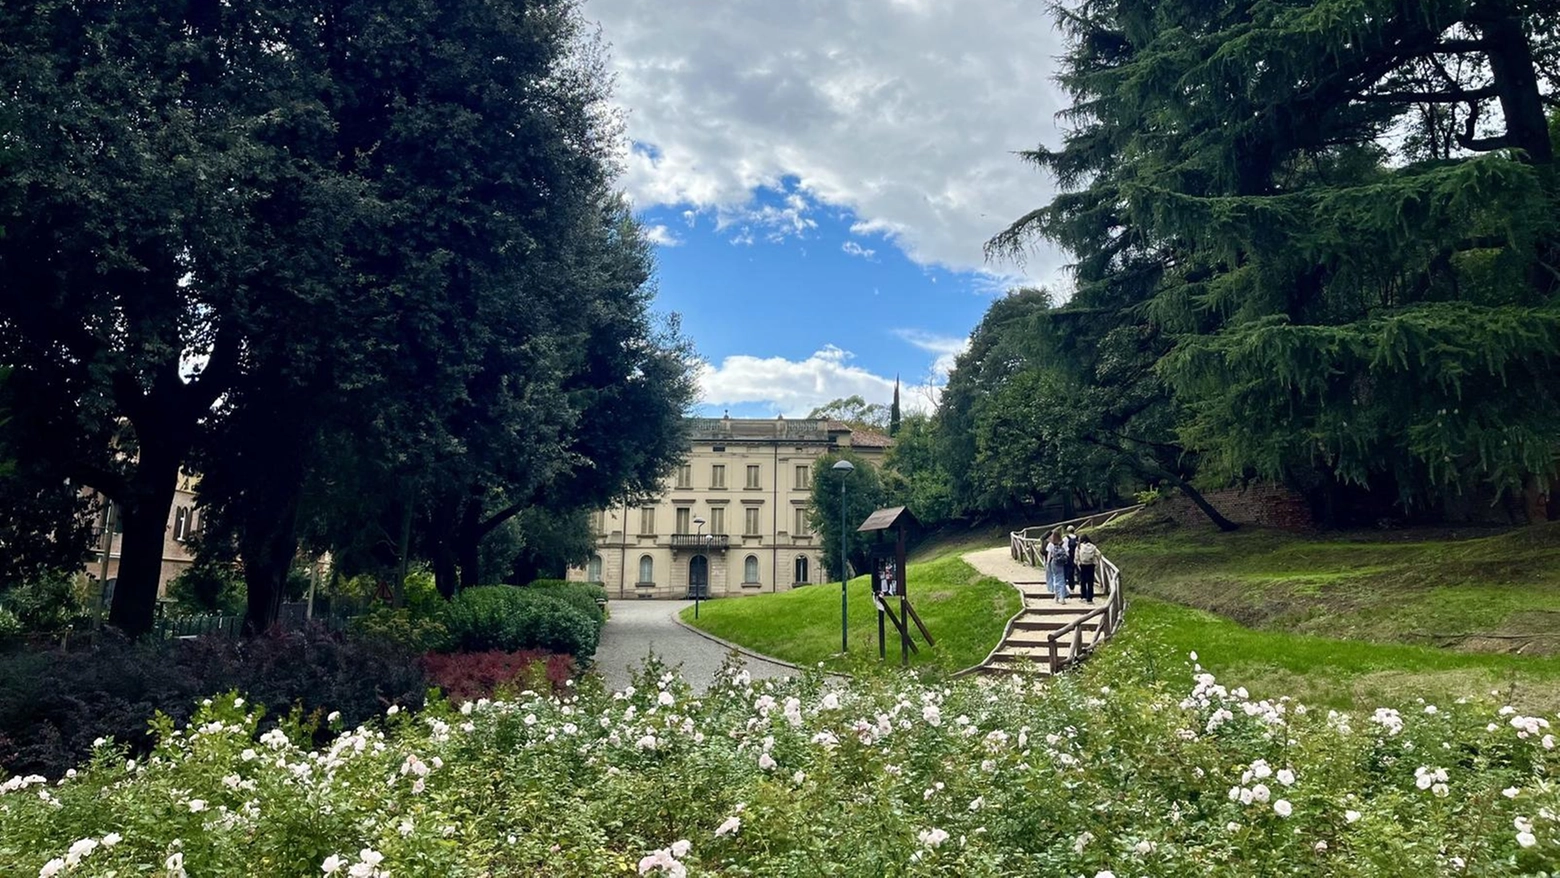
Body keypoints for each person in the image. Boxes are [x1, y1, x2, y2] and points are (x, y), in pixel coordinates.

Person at [1045, 529, 1069, 603]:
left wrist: (1047, 563)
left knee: (1055, 578)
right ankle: (1062, 597)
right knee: (1061, 579)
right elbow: (1067, 554)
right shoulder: (1063, 543)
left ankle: (1056, 597)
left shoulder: (1051, 544)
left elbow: (1049, 555)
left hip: (1053, 562)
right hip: (1061, 563)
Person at [1074, 534, 1100, 604]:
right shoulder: (1093, 546)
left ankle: (1083, 596)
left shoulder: (1079, 546)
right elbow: (1098, 554)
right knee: (1090, 582)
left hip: (1083, 565)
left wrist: (1077, 563)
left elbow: (1076, 556)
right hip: (1091, 565)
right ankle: (1090, 599)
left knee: (1083, 581)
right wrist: (1096, 562)